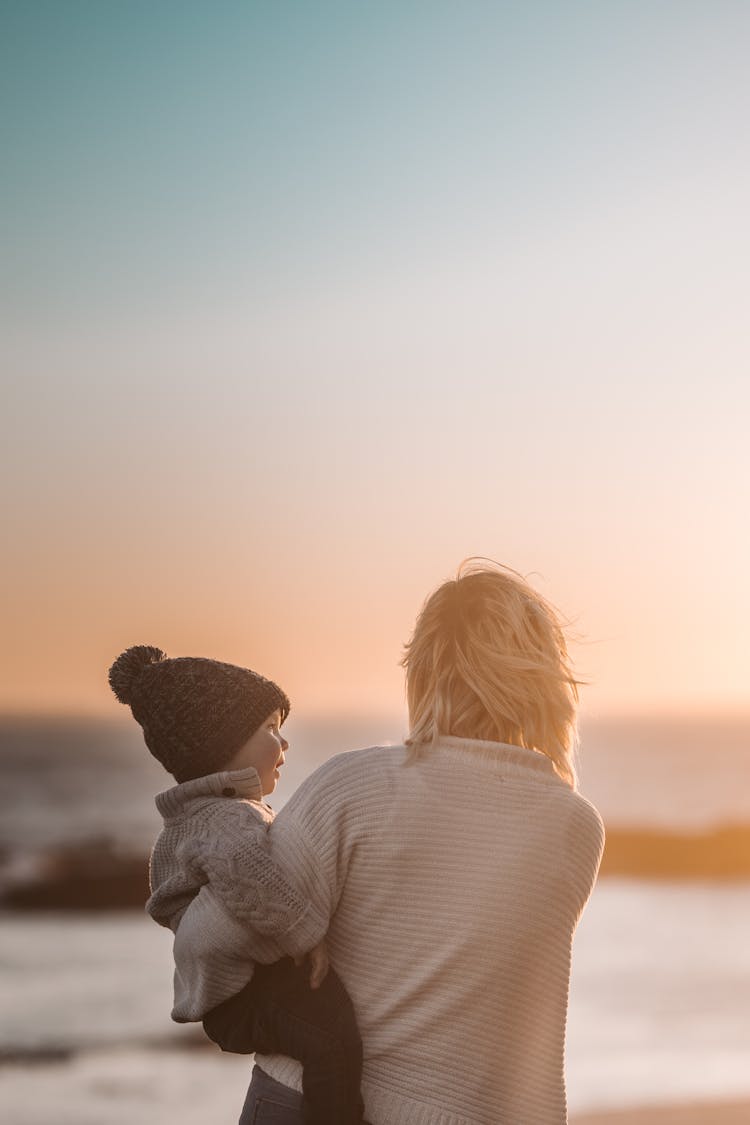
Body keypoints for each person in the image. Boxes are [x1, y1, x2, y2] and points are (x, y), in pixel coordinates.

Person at [204, 561, 605, 1125]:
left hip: (302, 1102)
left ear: (424, 672)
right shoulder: (574, 826)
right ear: (542, 681)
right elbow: (521, 1020)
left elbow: (228, 934)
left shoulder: (353, 785)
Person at [107, 644, 364, 1125]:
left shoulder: (200, 815)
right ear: (219, 746)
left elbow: (171, 899)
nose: (284, 743)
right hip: (242, 1000)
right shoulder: (227, 820)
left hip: (232, 996)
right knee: (332, 1037)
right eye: (269, 728)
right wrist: (308, 938)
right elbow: (258, 885)